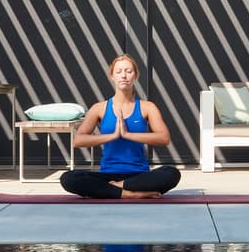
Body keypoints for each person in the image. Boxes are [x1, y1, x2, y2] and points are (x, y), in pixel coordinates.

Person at [59, 53, 181, 199]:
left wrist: (128, 135)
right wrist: (113, 136)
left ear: (135, 76)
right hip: (108, 174)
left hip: (139, 175)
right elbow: (78, 140)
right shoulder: (99, 108)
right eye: (119, 72)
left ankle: (116, 188)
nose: (124, 75)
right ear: (112, 76)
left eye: (129, 71)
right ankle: (129, 194)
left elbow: (164, 138)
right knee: (68, 178)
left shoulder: (147, 107)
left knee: (171, 173)